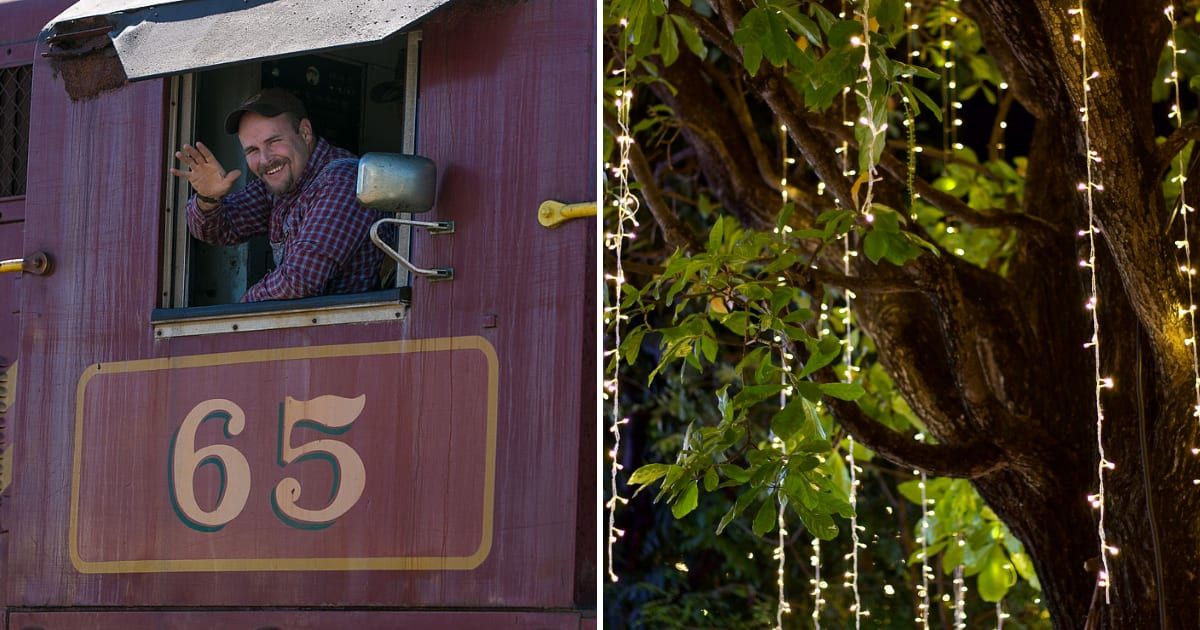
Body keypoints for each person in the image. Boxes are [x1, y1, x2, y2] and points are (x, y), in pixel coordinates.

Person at [170, 88, 389, 302]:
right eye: (252, 150)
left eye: (274, 142)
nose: (265, 160)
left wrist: (236, 317)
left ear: (305, 132)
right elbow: (218, 230)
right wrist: (208, 199)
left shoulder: (343, 181)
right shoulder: (280, 183)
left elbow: (300, 280)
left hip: (349, 333)